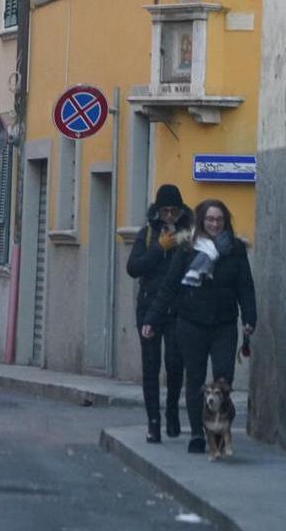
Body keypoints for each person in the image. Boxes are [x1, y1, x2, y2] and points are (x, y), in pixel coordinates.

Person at [142, 199, 256, 454]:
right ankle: (197, 432)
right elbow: (170, 286)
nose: (215, 224)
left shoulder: (235, 249)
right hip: (190, 323)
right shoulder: (187, 249)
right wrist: (152, 319)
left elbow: (245, 287)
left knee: (223, 379)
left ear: (225, 222)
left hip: (224, 324)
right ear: (202, 222)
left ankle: (218, 428)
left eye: (219, 220)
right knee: (194, 380)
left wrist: (250, 318)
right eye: (210, 219)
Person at [126, 184, 191, 444]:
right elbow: (133, 267)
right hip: (148, 307)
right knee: (151, 367)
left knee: (175, 364)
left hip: (177, 309)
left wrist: (180, 243)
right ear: (158, 211)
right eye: (165, 211)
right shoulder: (148, 234)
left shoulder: (188, 234)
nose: (169, 216)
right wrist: (160, 249)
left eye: (173, 211)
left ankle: (172, 410)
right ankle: (153, 422)